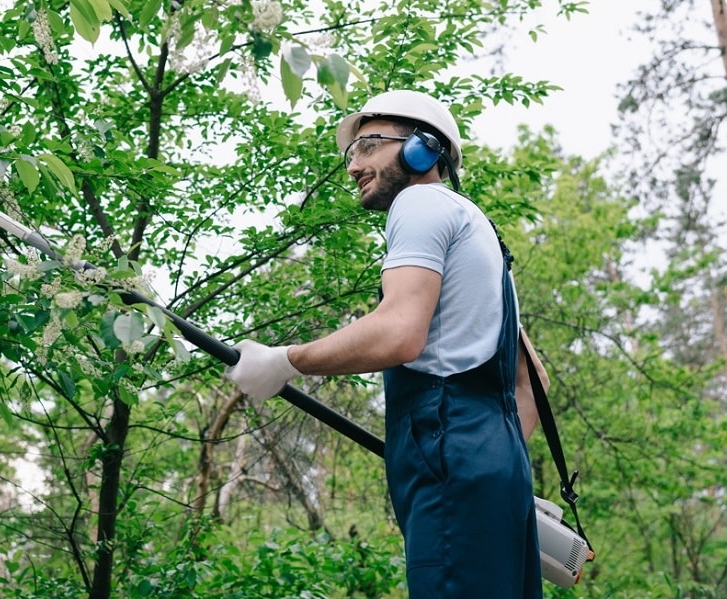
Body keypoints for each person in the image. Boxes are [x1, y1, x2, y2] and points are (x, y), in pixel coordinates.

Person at [226, 90, 545, 598]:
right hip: (498, 473)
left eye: (368, 146)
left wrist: (286, 361)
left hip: (455, 467)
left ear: (423, 148)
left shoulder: (420, 202)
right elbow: (532, 383)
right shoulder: (483, 239)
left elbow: (399, 331)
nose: (354, 165)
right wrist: (485, 471)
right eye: (351, 153)